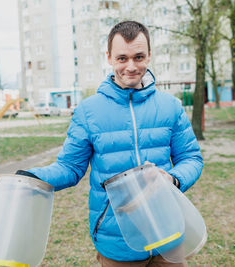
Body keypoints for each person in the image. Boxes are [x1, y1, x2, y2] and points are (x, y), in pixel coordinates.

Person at [17, 21, 203, 266]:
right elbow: (69, 168)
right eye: (122, 58)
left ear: (149, 55)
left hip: (167, 230)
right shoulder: (88, 111)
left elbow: (191, 158)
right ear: (109, 57)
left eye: (139, 57)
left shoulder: (171, 106)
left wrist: (173, 179)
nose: (131, 66)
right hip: (116, 238)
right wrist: (26, 177)